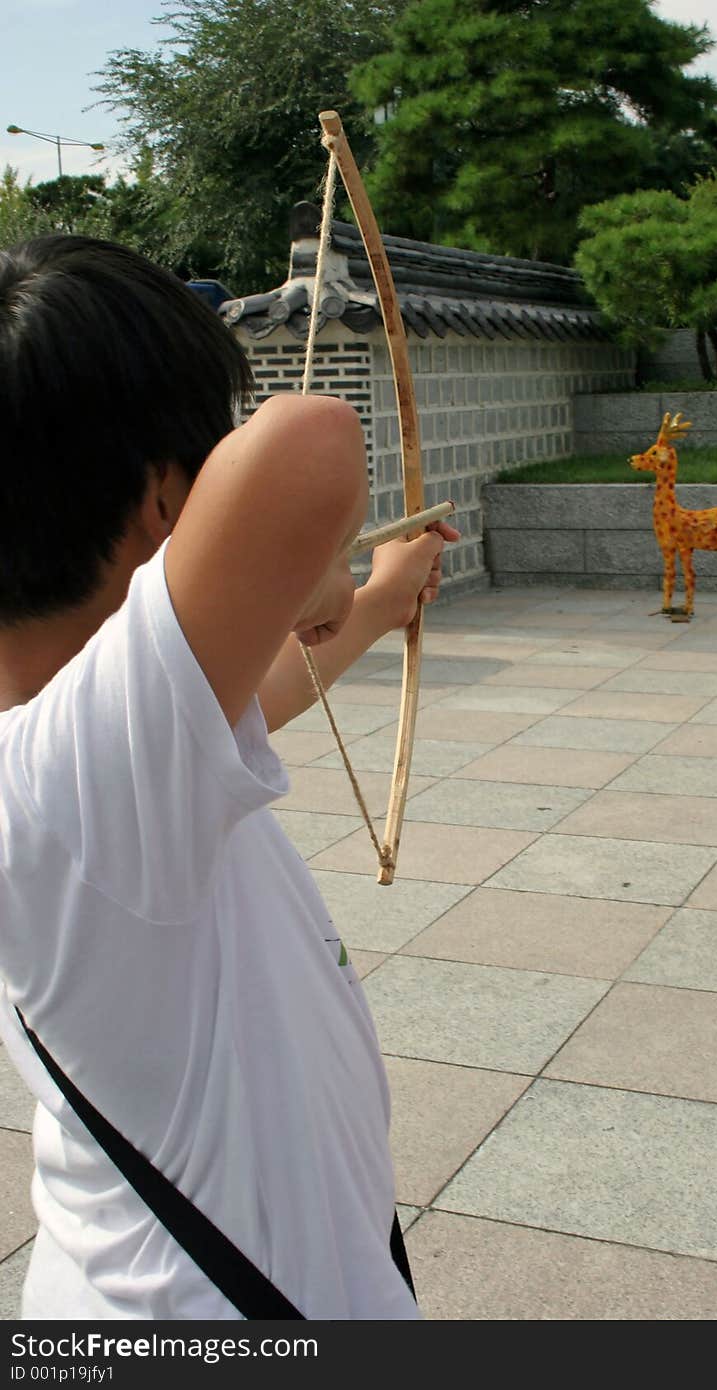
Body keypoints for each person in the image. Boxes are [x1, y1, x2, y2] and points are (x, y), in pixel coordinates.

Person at [0, 234, 459, 1320]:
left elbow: (253, 701)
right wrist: (315, 574)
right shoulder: (69, 773)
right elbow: (308, 441)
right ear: (167, 499)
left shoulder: (90, 754)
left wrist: (378, 599)